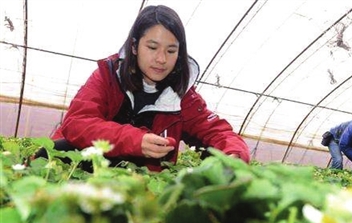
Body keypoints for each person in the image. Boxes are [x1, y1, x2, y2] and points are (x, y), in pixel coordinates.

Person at [44, 5, 250, 172]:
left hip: (136, 181)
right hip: (88, 164)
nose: (161, 59)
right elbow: (77, 123)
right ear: (134, 46)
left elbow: (219, 132)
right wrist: (136, 140)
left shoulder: (182, 96)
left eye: (171, 51)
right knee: (53, 152)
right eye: (152, 48)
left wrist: (234, 156)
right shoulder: (108, 75)